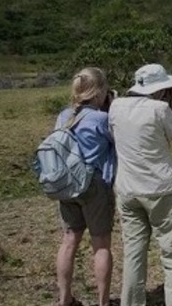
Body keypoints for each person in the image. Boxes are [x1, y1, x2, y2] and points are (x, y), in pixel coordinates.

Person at [108, 64, 172, 306]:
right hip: (162, 189)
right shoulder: (160, 109)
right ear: (162, 89)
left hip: (127, 189)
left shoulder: (116, 106)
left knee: (133, 252)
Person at [54, 67, 116, 306]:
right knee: (101, 245)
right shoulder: (101, 119)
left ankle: (64, 298)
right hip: (93, 185)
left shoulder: (63, 116)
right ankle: (103, 301)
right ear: (99, 91)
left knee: (69, 240)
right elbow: (114, 144)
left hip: (67, 184)